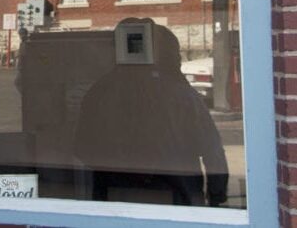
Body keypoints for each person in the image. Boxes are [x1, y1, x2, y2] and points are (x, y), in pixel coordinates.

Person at [74, 18, 229, 207]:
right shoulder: (182, 95)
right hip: (177, 199)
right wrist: (216, 197)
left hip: (117, 201)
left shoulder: (101, 91)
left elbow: (83, 148)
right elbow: (212, 151)